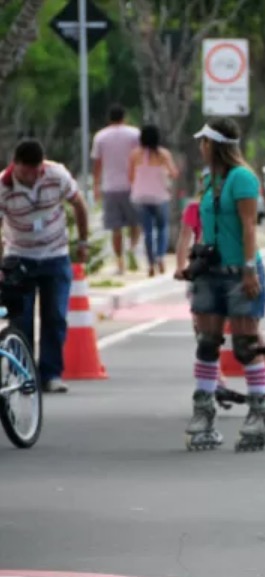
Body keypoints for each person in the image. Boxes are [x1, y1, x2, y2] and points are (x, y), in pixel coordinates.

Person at [179, 118, 265, 451]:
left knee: (245, 345)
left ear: (215, 145)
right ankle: (203, 412)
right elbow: (204, 226)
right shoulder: (207, 179)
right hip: (210, 273)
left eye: (204, 142)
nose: (200, 148)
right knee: (207, 343)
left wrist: (249, 270)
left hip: (238, 272)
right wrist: (192, 264)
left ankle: (259, 412)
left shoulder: (242, 178)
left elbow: (249, 227)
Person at [176, 174, 265, 399]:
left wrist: (248, 268)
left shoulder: (231, 207)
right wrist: (182, 267)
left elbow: (247, 230)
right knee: (204, 333)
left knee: (251, 333)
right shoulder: (195, 209)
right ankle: (216, 379)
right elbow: (183, 240)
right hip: (205, 272)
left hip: (232, 270)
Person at [0, 139, 90, 393]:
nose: (31, 177)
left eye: (36, 171)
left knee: (55, 317)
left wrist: (83, 241)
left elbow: (79, 203)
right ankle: (24, 375)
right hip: (19, 257)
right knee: (21, 320)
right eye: (25, 172)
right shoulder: (3, 187)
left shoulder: (56, 174)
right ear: (14, 165)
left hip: (55, 255)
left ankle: (51, 374)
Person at [91, 104, 141, 275]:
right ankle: (132, 248)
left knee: (115, 227)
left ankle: (120, 262)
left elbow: (98, 163)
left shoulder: (100, 137)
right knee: (135, 222)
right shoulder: (135, 134)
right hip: (132, 185)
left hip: (110, 186)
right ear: (124, 117)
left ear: (109, 118)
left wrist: (96, 185)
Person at [128, 124, 178, 277]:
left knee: (147, 231)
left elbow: (130, 177)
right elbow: (174, 173)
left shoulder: (135, 154)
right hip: (160, 196)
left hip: (141, 196)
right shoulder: (163, 154)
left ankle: (150, 263)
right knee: (162, 228)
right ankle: (161, 257)